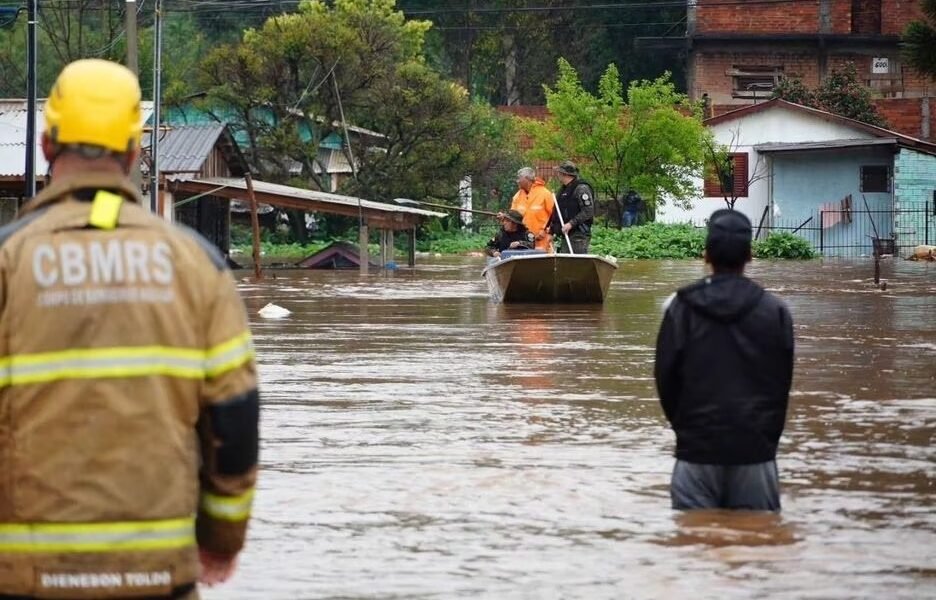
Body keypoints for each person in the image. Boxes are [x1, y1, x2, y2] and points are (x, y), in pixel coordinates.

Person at [0, 59, 259, 598]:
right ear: (135, 151)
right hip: (158, 576)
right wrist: (221, 539)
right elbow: (234, 421)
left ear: (46, 146)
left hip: (25, 578)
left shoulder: (8, 260)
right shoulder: (198, 265)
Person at [654, 209, 794, 511]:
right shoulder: (776, 311)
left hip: (696, 453)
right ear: (750, 255)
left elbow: (665, 380)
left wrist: (687, 432)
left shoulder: (679, 308)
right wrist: (763, 440)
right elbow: (780, 385)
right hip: (755, 453)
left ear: (706, 254)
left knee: (693, 535)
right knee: (757, 535)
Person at [549, 160, 595, 254]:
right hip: (566, 234)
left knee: (576, 260)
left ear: (564, 174)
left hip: (578, 234)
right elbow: (558, 211)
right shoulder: (563, 190)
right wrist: (552, 230)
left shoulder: (581, 188)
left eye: (559, 173)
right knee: (565, 259)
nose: (558, 175)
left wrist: (571, 223)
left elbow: (588, 211)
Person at [509, 167, 555, 252]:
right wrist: (504, 218)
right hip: (521, 242)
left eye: (519, 178)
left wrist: (547, 231)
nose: (517, 181)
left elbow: (555, 216)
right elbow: (512, 217)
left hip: (541, 242)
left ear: (527, 178)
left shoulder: (545, 194)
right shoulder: (517, 196)